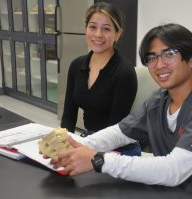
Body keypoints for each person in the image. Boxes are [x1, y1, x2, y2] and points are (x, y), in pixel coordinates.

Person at [52, 23, 192, 198]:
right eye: (152, 57)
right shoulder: (158, 100)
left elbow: (174, 170)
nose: (159, 64)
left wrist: (99, 161)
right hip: (170, 191)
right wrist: (74, 148)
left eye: (169, 54)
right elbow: (119, 133)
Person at [60, 2, 141, 156]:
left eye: (106, 29)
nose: (98, 34)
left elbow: (114, 130)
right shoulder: (76, 65)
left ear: (118, 34)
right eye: (93, 27)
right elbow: (68, 116)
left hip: (118, 146)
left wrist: (84, 151)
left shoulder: (124, 72)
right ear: (86, 29)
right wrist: (63, 144)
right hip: (90, 139)